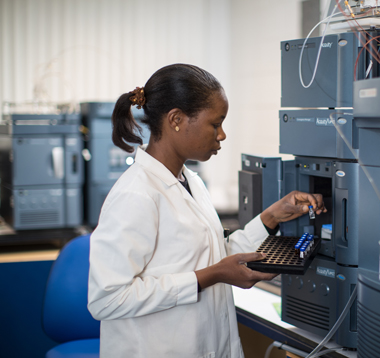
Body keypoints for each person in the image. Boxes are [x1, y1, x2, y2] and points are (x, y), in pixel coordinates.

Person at [87, 63, 326, 358]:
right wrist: (209, 276)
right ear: (176, 119)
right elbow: (107, 299)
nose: (222, 135)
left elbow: (212, 255)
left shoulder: (191, 181)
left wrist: (271, 217)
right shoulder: (136, 194)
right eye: (215, 123)